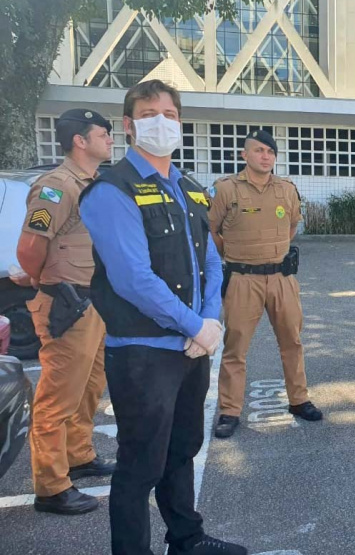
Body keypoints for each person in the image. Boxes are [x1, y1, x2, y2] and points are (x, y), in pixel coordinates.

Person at [79, 80, 246, 554]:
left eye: (170, 114)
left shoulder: (189, 188)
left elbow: (212, 261)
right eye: (149, 113)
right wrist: (194, 325)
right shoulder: (112, 191)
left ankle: (186, 540)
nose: (162, 121)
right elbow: (132, 278)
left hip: (191, 348)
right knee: (140, 465)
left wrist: (209, 323)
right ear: (129, 125)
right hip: (143, 352)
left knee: (182, 451)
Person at [16, 109, 115, 515]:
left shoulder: (93, 183)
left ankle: (79, 455)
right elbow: (29, 249)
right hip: (66, 304)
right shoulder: (56, 187)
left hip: (93, 301)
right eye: (103, 133)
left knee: (90, 386)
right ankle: (52, 486)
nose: (110, 138)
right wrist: (49, 286)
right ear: (80, 140)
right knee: (58, 395)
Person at [209, 130, 322, 438]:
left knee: (292, 341)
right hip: (243, 279)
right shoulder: (225, 189)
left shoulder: (286, 189)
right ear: (244, 155)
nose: (265, 156)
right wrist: (235, 255)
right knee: (235, 347)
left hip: (282, 278)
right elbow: (211, 229)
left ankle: (299, 400)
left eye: (270, 152)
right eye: (259, 150)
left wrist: (274, 252)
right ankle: (230, 411)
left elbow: (292, 224)